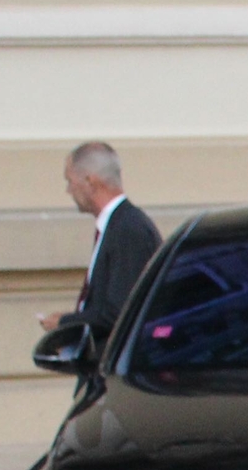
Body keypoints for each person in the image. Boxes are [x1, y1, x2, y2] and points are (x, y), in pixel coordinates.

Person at [40, 142, 161, 338]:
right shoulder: (118, 226)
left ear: (90, 181)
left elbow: (119, 314)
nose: (69, 191)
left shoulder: (128, 230)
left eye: (70, 181)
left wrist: (64, 323)